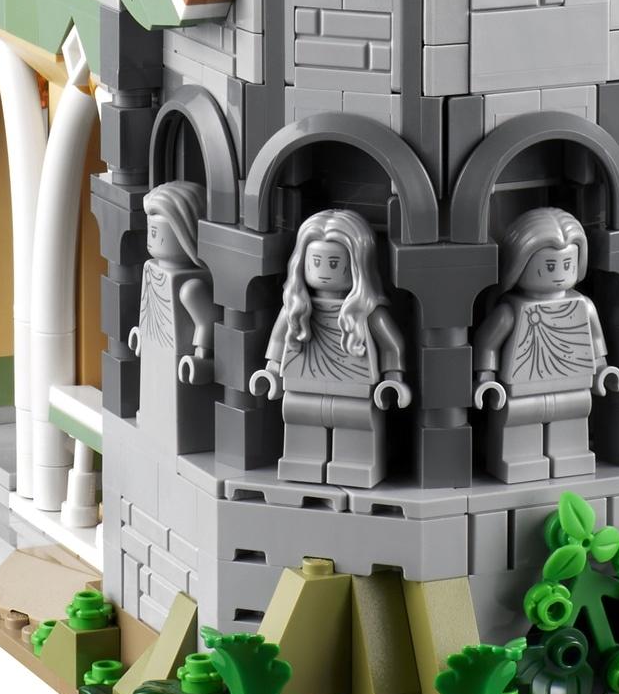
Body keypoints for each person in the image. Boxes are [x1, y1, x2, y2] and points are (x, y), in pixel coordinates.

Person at [250, 208, 410, 487]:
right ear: (302, 263)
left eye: (334, 263)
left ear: (357, 265)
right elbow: (278, 340)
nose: (323, 271)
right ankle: (302, 464)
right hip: (302, 383)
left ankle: (356, 467)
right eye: (316, 262)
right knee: (300, 419)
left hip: (355, 388)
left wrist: (393, 378)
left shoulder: (367, 312)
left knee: (356, 424)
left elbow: (392, 344)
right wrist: (271, 371)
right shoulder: (295, 309)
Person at [472, 205, 619, 482]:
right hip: (521, 391)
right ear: (519, 264)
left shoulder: (584, 306)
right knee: (520, 424)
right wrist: (486, 378)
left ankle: (571, 456)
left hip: (574, 385)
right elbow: (487, 343)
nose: (559, 273)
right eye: (549, 266)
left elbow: (595, 340)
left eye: (567, 264)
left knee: (572, 420)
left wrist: (602, 368)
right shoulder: (510, 311)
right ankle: (519, 461)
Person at [127, 181, 215, 453]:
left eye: (158, 231)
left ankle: (173, 432)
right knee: (152, 393)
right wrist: (141, 333)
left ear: (185, 232)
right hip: (155, 349)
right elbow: (150, 306)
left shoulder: (191, 285)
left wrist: (201, 356)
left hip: (178, 357)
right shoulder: (152, 268)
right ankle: (152, 421)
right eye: (150, 229)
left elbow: (206, 321)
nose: (151, 237)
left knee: (172, 403)